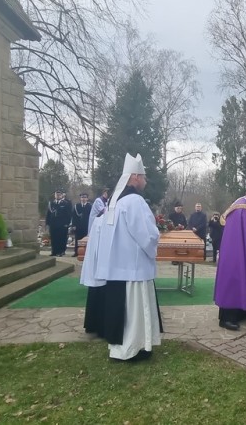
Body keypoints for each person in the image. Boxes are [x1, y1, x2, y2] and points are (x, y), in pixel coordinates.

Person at [79, 153, 162, 361]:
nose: (145, 181)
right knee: (133, 311)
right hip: (133, 267)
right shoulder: (135, 201)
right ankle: (133, 349)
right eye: (143, 177)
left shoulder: (115, 202)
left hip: (117, 267)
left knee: (120, 310)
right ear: (135, 177)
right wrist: (155, 241)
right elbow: (147, 234)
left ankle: (120, 349)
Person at [213, 177, 246, 330]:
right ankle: (227, 318)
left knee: (243, 278)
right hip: (235, 253)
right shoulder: (240, 208)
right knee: (234, 281)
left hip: (244, 250)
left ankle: (242, 311)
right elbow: (240, 234)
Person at [46, 189, 72, 256]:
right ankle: (54, 251)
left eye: (59, 195)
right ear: (55, 195)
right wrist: (47, 223)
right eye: (56, 195)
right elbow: (48, 214)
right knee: (54, 238)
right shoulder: (51, 203)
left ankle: (61, 251)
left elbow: (68, 214)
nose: (58, 196)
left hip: (62, 224)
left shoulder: (65, 203)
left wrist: (67, 223)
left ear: (61, 195)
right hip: (53, 224)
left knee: (62, 238)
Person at [72, 193, 92, 258]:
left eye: (85, 197)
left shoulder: (90, 206)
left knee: (86, 240)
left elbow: (91, 216)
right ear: (80, 198)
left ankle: (86, 253)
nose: (83, 199)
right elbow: (74, 216)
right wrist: (73, 225)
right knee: (77, 239)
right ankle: (76, 252)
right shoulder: (77, 206)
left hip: (86, 225)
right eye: (82, 197)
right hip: (78, 226)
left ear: (87, 198)